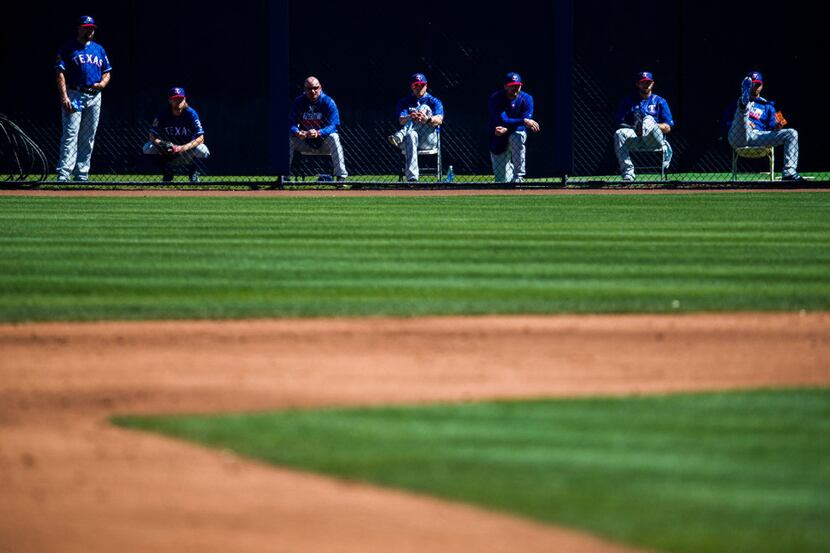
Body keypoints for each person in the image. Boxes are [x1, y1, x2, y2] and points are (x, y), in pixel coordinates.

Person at [54, 15, 112, 182]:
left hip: (94, 97)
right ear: (79, 28)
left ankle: (82, 174)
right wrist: (64, 96)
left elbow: (107, 72)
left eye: (92, 28)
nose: (90, 30)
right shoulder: (68, 48)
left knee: (88, 136)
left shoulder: (99, 49)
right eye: (86, 27)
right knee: (71, 133)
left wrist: (102, 84)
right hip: (75, 93)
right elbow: (60, 72)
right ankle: (64, 174)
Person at [726, 71, 803, 181]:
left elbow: (772, 127)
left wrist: (777, 126)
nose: (755, 87)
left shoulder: (768, 105)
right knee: (742, 110)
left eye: (757, 84)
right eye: (752, 84)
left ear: (762, 86)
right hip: (738, 136)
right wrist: (746, 123)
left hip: (758, 137)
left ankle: (789, 173)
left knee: (792, 133)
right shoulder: (734, 102)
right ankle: (744, 102)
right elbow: (725, 122)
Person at [613, 71, 674, 182]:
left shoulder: (660, 101)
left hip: (654, 139)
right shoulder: (629, 101)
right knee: (619, 133)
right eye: (643, 82)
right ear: (638, 84)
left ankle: (643, 127)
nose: (646, 84)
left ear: (652, 84)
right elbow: (619, 122)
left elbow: (668, 127)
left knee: (648, 119)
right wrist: (635, 127)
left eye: (648, 82)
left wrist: (650, 125)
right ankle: (628, 174)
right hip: (635, 136)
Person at [142, 87, 210, 183]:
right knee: (148, 147)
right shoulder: (163, 113)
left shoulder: (191, 114)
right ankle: (167, 172)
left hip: (187, 151)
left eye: (180, 98)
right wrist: (162, 144)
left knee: (202, 149)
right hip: (167, 151)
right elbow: (152, 135)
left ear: (185, 99)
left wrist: (181, 148)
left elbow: (200, 138)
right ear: (170, 100)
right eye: (175, 99)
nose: (178, 101)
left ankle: (193, 173)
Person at [388, 73, 444, 182]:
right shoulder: (405, 102)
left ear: (426, 85)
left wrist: (426, 119)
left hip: (429, 138)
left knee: (424, 107)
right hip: (411, 139)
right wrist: (410, 116)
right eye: (415, 85)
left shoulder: (434, 101)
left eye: (421, 85)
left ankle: (399, 135)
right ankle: (412, 179)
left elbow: (439, 120)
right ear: (411, 87)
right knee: (410, 134)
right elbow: (401, 120)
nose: (418, 88)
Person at [289, 76, 347, 181]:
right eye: (309, 89)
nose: (313, 91)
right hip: (304, 141)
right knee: (289, 140)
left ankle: (341, 177)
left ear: (320, 87)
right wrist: (297, 132)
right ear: (304, 89)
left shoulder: (328, 102)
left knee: (334, 137)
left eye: (315, 88)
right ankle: (284, 176)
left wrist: (319, 132)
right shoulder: (298, 102)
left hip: (323, 143)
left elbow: (334, 125)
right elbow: (290, 123)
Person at [488, 72, 540, 183]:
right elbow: (503, 120)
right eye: (512, 86)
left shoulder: (527, 99)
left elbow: (523, 126)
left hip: (514, 132)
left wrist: (508, 129)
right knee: (501, 181)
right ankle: (510, 171)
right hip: (498, 135)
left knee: (517, 136)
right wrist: (523, 121)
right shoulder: (496, 98)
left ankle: (518, 176)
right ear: (505, 86)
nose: (515, 88)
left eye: (517, 85)